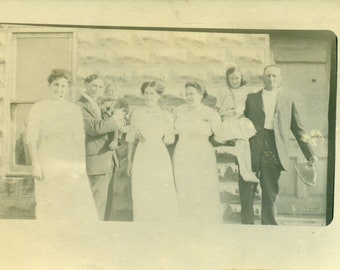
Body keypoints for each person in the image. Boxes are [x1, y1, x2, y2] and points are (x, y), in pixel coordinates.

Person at [244, 65, 318, 225]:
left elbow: (298, 128)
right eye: (268, 75)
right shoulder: (252, 98)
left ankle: (269, 227)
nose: (271, 79)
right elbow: (243, 123)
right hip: (253, 146)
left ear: (280, 79)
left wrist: (309, 153)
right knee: (248, 189)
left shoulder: (287, 100)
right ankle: (246, 228)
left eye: (274, 76)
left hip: (274, 147)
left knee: (270, 190)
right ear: (263, 78)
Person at [26, 69, 97, 221]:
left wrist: (80, 166)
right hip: (48, 158)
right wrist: (35, 164)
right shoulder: (39, 108)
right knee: (48, 199)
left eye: (63, 86)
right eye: (56, 85)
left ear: (68, 88)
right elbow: (32, 138)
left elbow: (79, 140)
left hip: (69, 158)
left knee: (71, 200)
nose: (59, 89)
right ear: (49, 85)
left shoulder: (73, 109)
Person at [126, 81, 179, 223]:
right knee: (141, 191)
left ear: (158, 96)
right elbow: (131, 139)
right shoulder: (137, 113)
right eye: (146, 93)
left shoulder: (166, 115)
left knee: (160, 190)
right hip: (142, 155)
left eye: (152, 93)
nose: (149, 96)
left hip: (159, 155)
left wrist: (169, 125)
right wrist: (129, 162)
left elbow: (169, 141)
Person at [173, 81, 224, 224]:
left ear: (201, 95)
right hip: (182, 153)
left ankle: (204, 225)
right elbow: (170, 131)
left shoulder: (210, 113)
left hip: (202, 154)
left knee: (202, 188)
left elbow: (220, 135)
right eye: (186, 94)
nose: (188, 97)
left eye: (192, 94)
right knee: (184, 187)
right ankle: (186, 224)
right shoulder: (178, 111)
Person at [77, 74, 125, 220]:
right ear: (85, 85)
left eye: (100, 87)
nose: (97, 89)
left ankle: (101, 231)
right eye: (93, 86)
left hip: (107, 158)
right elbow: (93, 128)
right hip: (95, 160)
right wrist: (115, 119)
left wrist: (117, 132)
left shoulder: (97, 103)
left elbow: (107, 126)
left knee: (105, 203)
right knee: (96, 203)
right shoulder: (79, 106)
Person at [215, 67, 259, 183]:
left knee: (244, 143)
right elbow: (218, 108)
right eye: (232, 78)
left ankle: (247, 171)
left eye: (237, 78)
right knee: (242, 142)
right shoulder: (223, 92)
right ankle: (246, 172)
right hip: (228, 121)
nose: (235, 81)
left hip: (240, 120)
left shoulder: (246, 91)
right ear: (228, 80)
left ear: (241, 78)